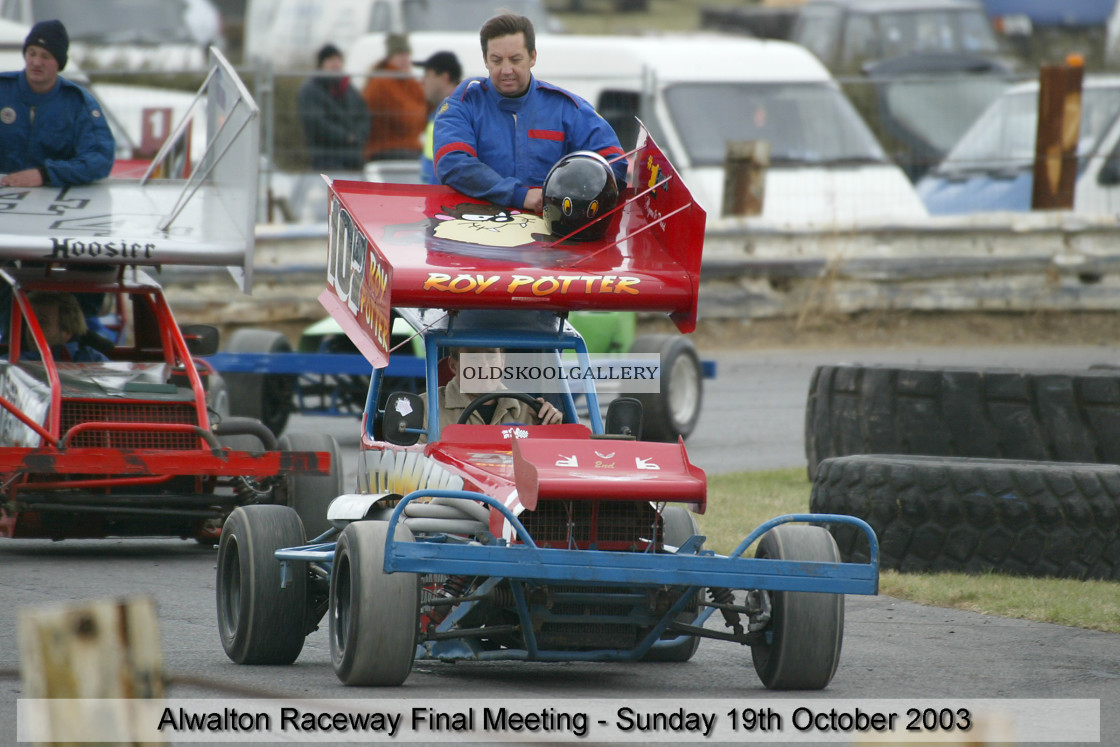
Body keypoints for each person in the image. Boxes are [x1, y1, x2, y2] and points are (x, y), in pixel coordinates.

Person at [433, 13, 627, 212]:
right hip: (475, 231)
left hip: (551, 234)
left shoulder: (567, 109)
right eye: (497, 60)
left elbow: (614, 163)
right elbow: (452, 163)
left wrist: (572, 194)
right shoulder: (462, 105)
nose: (506, 70)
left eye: (515, 59)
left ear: (532, 57)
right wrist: (520, 195)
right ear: (485, 60)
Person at [0, 20, 115, 188]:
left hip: (54, 202)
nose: (36, 62)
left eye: (45, 56)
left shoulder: (77, 103)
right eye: (32, 53)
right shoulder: (3, 90)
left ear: (59, 63)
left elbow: (100, 159)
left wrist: (45, 174)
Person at [420, 347, 563, 433]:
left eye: (491, 355)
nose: (484, 365)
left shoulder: (532, 411)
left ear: (502, 362)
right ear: (453, 365)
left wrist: (552, 430)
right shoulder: (425, 408)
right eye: (473, 356)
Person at [296, 43, 371, 171]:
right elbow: (316, 123)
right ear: (321, 64)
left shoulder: (349, 89)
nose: (335, 64)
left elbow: (364, 116)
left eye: (338, 60)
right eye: (331, 60)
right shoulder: (310, 91)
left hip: (353, 159)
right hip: (325, 158)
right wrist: (346, 137)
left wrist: (358, 136)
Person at [362, 33, 427, 161]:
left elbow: (420, 118)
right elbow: (407, 120)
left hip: (409, 147)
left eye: (407, 54)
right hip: (386, 148)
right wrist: (421, 113)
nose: (405, 59)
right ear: (390, 57)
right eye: (400, 54)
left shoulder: (410, 82)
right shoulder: (382, 82)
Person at [415, 51, 462, 184]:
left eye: (428, 75)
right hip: (434, 196)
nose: (422, 81)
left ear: (445, 78)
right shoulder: (441, 111)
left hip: (441, 199)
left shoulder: (457, 114)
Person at [26, 290, 110, 363]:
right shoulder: (19, 364)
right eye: (29, 321)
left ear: (67, 330)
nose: (31, 329)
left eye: (42, 322)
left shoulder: (93, 360)